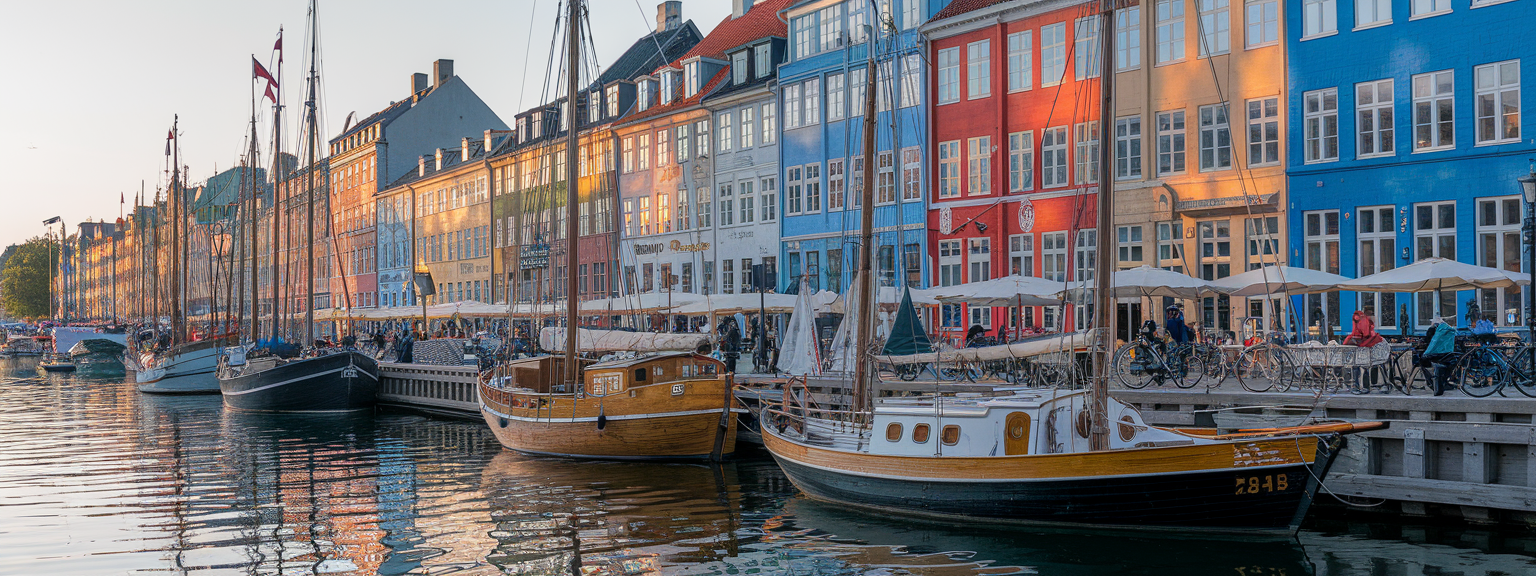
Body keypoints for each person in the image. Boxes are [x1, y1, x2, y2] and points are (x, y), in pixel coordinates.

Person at [1422, 317, 1457, 396]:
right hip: (1444, 354)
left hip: (1434, 354)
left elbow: (1429, 341)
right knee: (1449, 364)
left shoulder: (1436, 330)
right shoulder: (1448, 331)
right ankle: (1442, 383)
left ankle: (1436, 384)